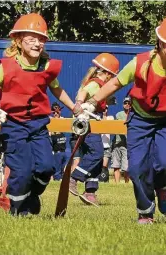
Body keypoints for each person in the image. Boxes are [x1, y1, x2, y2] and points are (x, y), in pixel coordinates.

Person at [77, 13, 166, 223]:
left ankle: (163, 188)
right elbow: (115, 84)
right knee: (136, 168)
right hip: (140, 121)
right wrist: (92, 102)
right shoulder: (140, 63)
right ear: (160, 42)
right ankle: (145, 211)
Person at [0, 13, 76, 216]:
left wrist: (75, 108)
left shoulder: (47, 67)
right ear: (18, 41)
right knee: (22, 172)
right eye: (32, 39)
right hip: (13, 125)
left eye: (41, 39)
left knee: (46, 168)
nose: (37, 43)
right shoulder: (7, 67)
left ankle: (32, 196)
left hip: (38, 125)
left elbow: (57, 90)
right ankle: (18, 210)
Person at [69, 52, 120, 206]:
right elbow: (83, 93)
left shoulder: (99, 84)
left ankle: (90, 191)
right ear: (109, 74)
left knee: (94, 160)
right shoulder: (96, 83)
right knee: (97, 153)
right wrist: (79, 103)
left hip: (93, 123)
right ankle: (74, 177)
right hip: (88, 123)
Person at [111, 97, 131, 184]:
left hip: (128, 144)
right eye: (125, 103)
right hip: (117, 142)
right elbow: (122, 124)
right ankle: (117, 183)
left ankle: (126, 183)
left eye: (128, 103)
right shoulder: (119, 114)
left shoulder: (133, 115)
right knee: (116, 165)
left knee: (126, 166)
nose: (127, 104)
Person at [51, 108, 68, 181]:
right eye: (54, 112)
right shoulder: (51, 124)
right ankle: (57, 179)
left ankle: (60, 179)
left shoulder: (62, 122)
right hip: (57, 152)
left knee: (62, 168)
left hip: (63, 151)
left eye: (57, 112)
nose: (56, 113)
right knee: (57, 170)